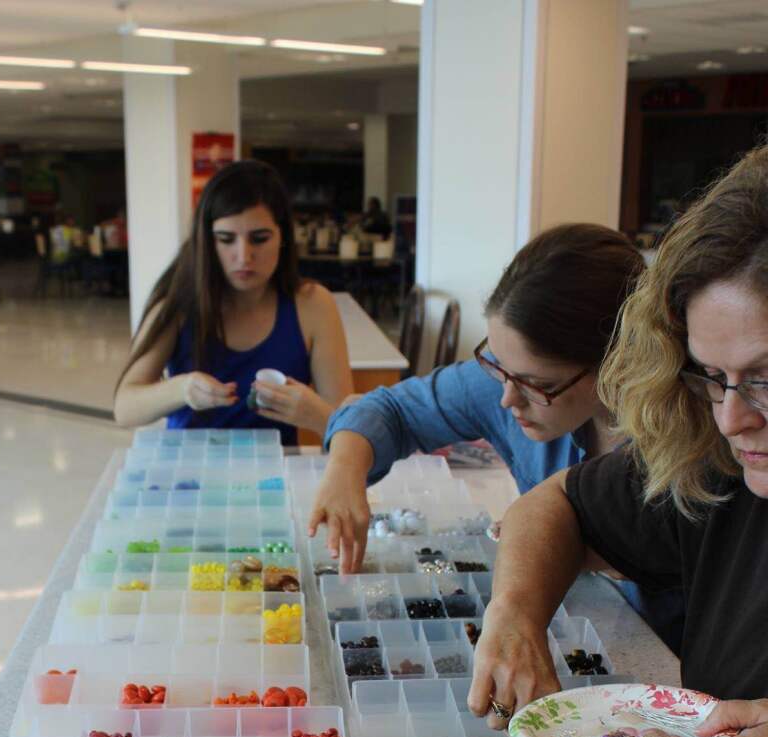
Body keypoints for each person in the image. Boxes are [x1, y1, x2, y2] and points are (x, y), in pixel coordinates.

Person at [468, 143, 768, 737]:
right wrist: (516, 610)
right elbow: (558, 507)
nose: (732, 418)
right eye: (715, 379)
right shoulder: (718, 464)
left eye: (766, 379)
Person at [309, 223, 684, 652]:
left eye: (534, 383)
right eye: (497, 366)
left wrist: (587, 547)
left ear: (616, 364)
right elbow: (389, 409)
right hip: (571, 623)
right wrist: (344, 472)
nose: (507, 398)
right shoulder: (510, 377)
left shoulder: (687, 439)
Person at [115, 160, 353, 444]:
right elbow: (125, 408)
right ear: (207, 242)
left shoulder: (313, 305)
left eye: (260, 239)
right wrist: (183, 389)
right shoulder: (179, 303)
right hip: (190, 471)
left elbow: (348, 429)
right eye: (226, 239)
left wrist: (315, 414)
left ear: (283, 238)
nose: (243, 256)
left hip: (273, 475)